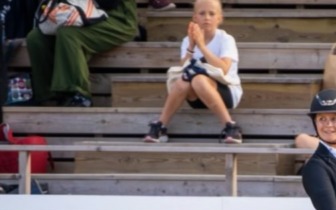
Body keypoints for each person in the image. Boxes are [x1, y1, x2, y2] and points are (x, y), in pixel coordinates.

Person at [143, 0, 243, 144]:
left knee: (198, 79)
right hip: (197, 96)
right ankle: (161, 126)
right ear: (195, 18)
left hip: (227, 93)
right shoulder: (187, 40)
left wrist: (201, 46)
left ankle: (230, 126)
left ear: (219, 18)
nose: (207, 17)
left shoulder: (226, 39)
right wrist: (191, 46)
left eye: (212, 14)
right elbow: (183, 67)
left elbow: (224, 68)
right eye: (202, 13)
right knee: (183, 80)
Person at [25, 0, 138, 106]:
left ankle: (78, 94)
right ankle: (47, 96)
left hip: (116, 18)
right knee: (35, 38)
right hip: (76, 14)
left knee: (68, 34)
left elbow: (108, 3)